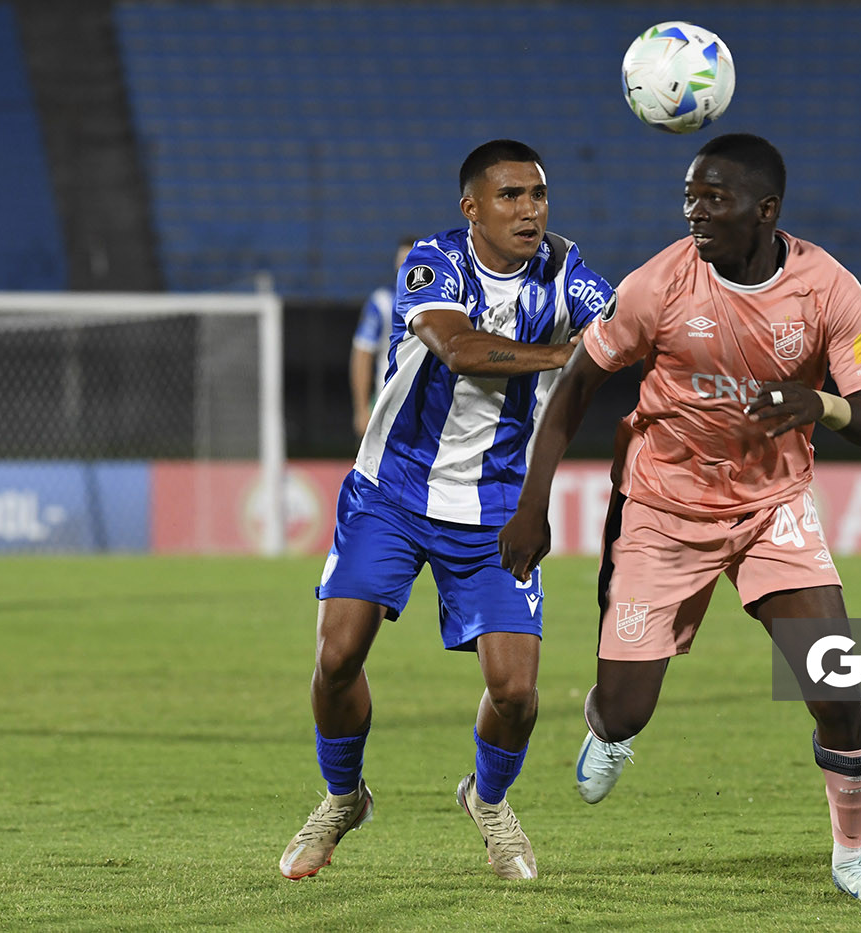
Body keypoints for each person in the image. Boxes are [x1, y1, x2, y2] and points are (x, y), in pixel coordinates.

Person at [499, 133, 861, 904]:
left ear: (766, 211)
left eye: (713, 198)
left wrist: (816, 402)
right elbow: (578, 384)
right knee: (625, 709)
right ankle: (607, 731)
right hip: (661, 509)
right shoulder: (659, 282)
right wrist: (535, 503)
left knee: (839, 688)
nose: (695, 211)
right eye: (690, 195)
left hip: (772, 509)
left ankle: (852, 856)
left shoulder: (829, 289)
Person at [280, 139, 614, 882]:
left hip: (495, 501)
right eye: (510, 196)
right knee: (337, 656)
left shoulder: (567, 272)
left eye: (538, 195)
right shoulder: (434, 262)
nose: (529, 210)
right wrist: (570, 357)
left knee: (517, 691)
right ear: (472, 208)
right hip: (392, 490)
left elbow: (624, 327)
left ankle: (487, 800)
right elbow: (458, 347)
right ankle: (343, 797)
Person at [350, 236, 417, 438]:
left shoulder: (440, 303)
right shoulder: (383, 303)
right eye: (402, 260)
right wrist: (362, 409)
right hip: (388, 402)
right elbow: (362, 354)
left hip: (427, 404)